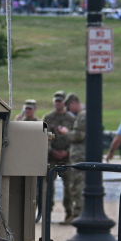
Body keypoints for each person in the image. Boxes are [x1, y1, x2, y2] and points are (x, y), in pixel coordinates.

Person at [43, 91, 77, 223]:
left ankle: (70, 213)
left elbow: (74, 137)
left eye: (60, 101)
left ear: (64, 103)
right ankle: (46, 213)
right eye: (56, 101)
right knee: (47, 188)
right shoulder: (48, 118)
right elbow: (43, 137)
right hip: (51, 158)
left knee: (69, 187)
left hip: (67, 158)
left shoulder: (71, 119)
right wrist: (51, 151)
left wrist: (68, 152)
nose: (58, 103)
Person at [64, 93, 85, 221]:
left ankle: (78, 214)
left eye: (69, 106)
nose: (69, 110)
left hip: (80, 155)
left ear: (73, 103)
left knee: (77, 185)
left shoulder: (82, 115)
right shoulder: (84, 114)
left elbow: (79, 135)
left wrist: (66, 133)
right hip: (81, 155)